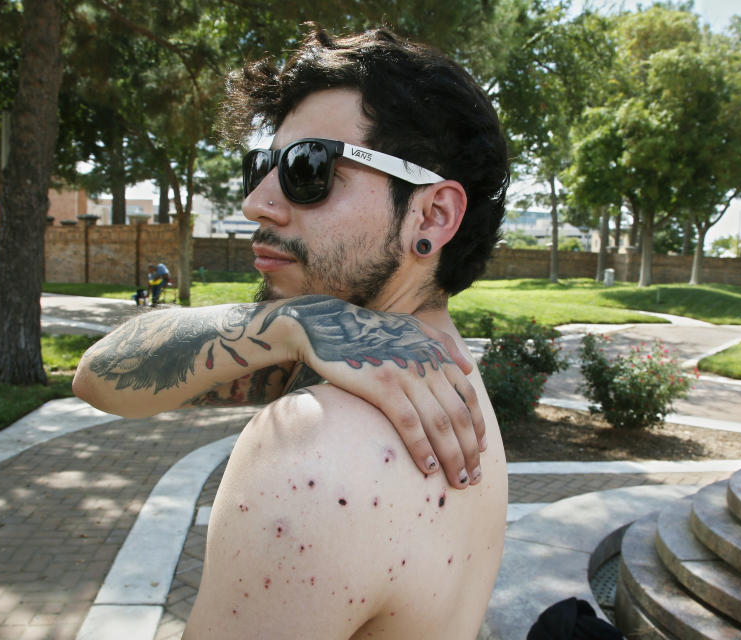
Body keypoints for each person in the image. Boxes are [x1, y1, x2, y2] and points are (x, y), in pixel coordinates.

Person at [74, 26, 509, 639]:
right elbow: (100, 377)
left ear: (432, 214)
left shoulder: (309, 452)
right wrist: (295, 324)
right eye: (263, 164)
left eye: (309, 168)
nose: (257, 201)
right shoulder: (455, 382)